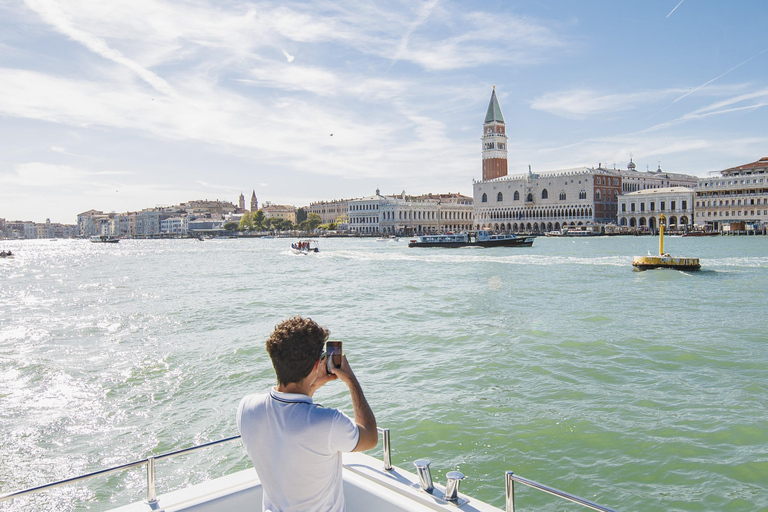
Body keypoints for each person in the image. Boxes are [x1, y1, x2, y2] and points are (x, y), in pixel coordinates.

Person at [237, 316, 377, 512]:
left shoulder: (247, 408)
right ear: (315, 366)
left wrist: (311, 386)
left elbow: (290, 420)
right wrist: (351, 380)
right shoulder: (328, 423)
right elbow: (370, 436)